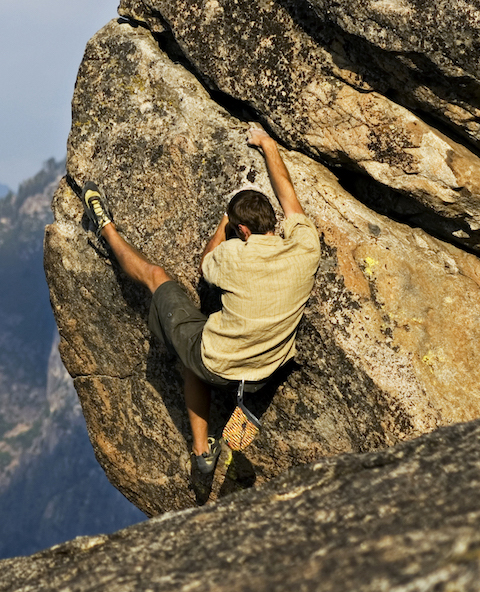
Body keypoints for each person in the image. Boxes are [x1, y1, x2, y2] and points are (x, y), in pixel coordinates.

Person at [77, 124, 320, 478]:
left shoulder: (236, 257)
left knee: (157, 279)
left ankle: (104, 227)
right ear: (274, 223)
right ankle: (223, 422)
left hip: (218, 364)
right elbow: (289, 197)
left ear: (244, 232)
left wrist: (225, 218)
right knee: (203, 334)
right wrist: (267, 144)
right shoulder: (305, 247)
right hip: (265, 372)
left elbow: (207, 262)